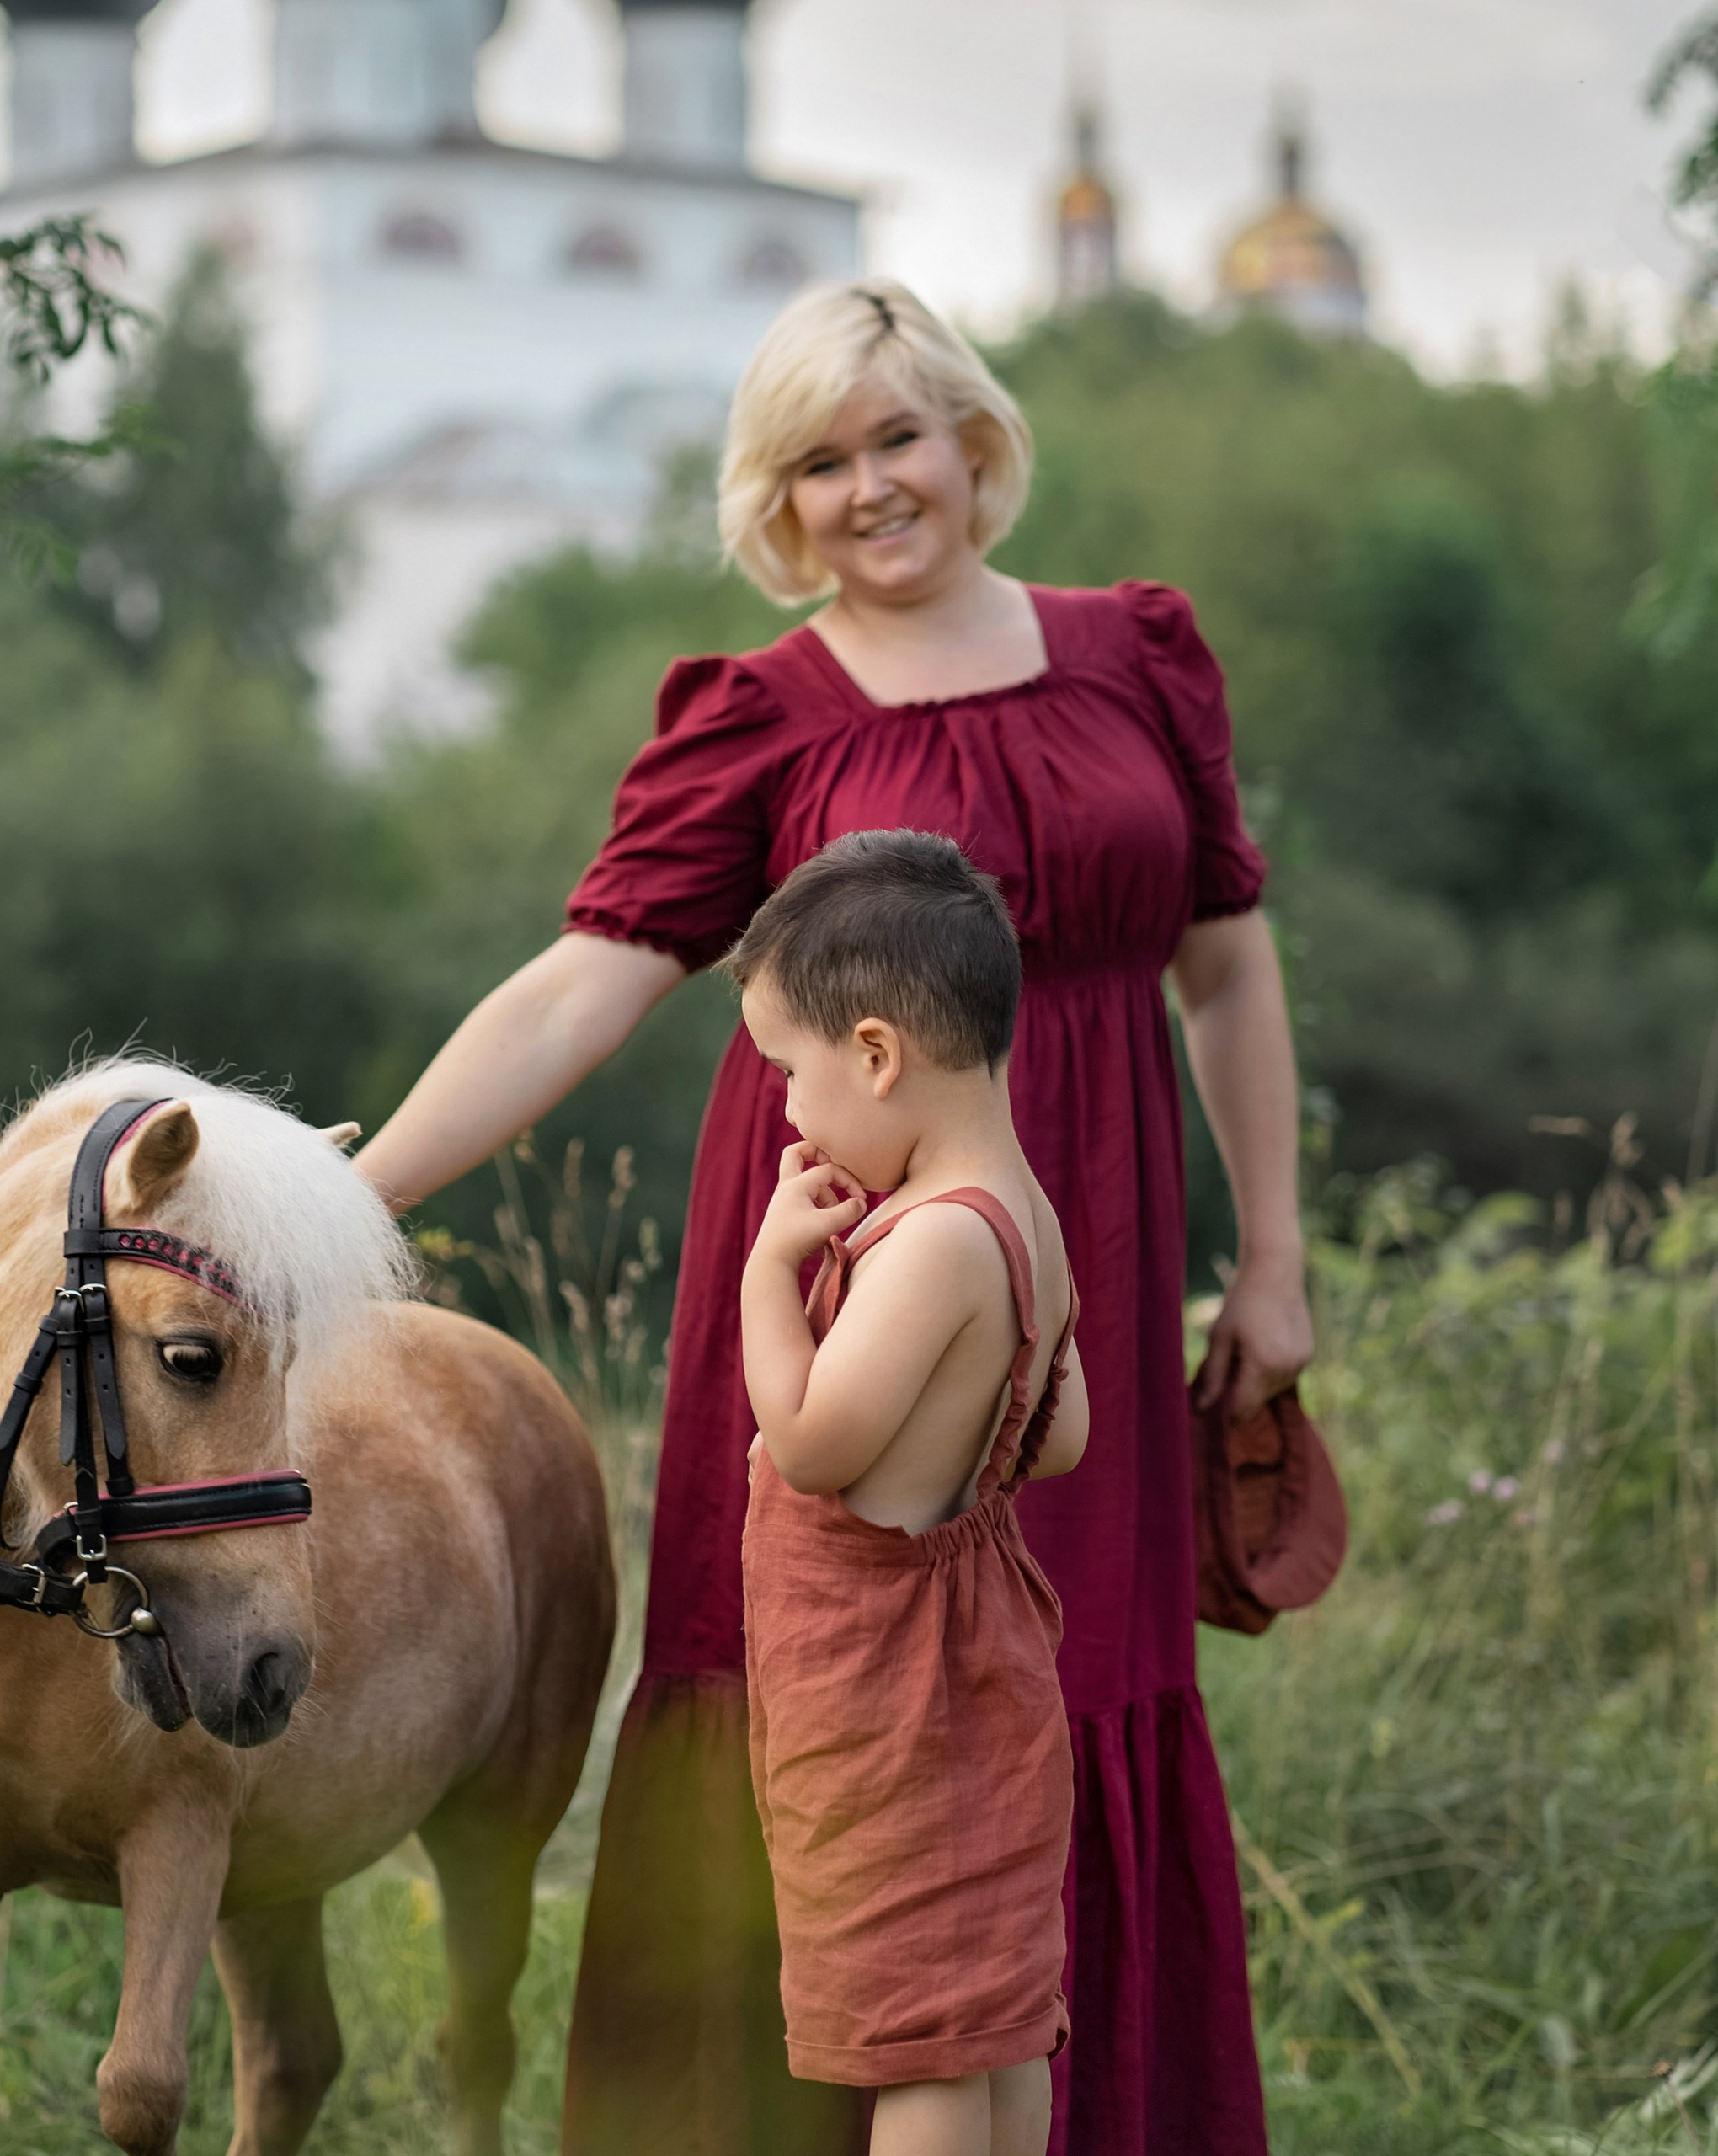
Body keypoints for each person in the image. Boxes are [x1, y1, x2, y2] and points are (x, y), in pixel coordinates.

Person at [353, 276, 1313, 2156]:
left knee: (1073, 1681)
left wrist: (1269, 1254)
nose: (868, 487)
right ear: (770, 503)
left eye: (894, 436)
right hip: (828, 1271)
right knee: (819, 1693)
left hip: (1074, 1263)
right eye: (815, 460)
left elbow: (1228, 972)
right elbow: (578, 985)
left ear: (972, 440)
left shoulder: (1135, 656)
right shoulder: (758, 719)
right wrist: (349, 1188)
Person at [734, 830, 1087, 2156]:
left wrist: (770, 1276)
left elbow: (820, 1446)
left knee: (919, 2041)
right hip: (981, 1664)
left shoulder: (932, 1239)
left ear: (876, 1054)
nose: (787, 1113)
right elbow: (1056, 1436)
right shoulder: (1023, 1219)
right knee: (987, 2016)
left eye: (789, 1073)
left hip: (883, 1686)